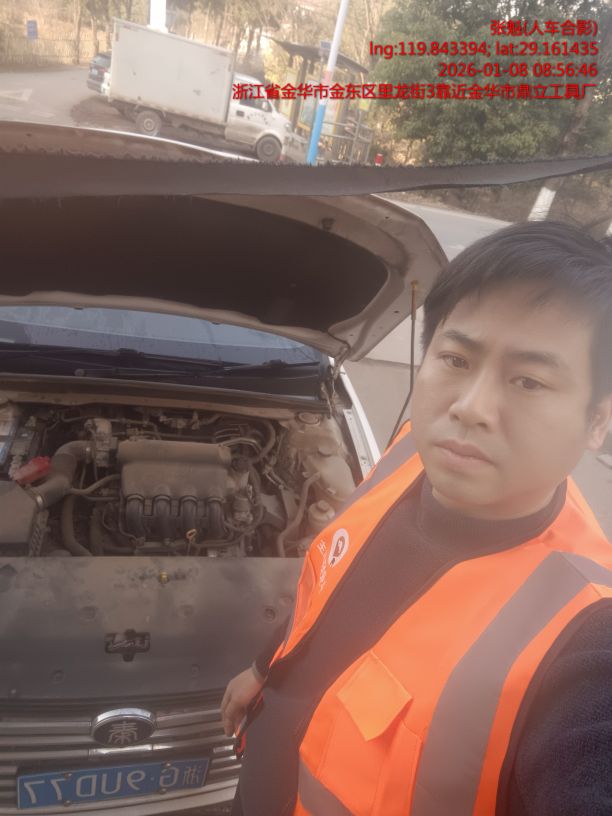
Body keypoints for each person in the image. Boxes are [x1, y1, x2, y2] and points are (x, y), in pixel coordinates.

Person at [221, 220, 612, 816]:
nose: (470, 408)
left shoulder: (585, 636)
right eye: (456, 358)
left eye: (529, 381)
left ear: (599, 420)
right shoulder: (408, 453)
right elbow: (332, 585)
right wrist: (264, 667)